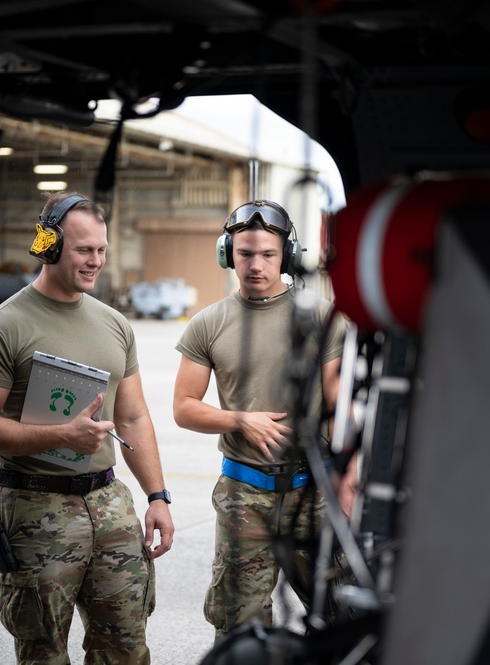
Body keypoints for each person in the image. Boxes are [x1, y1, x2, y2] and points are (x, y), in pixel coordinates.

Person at [0, 191, 174, 665]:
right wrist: (60, 435)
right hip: (34, 506)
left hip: (109, 501)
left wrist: (157, 497)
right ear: (49, 245)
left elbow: (134, 416)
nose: (95, 261)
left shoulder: (115, 324)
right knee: (44, 652)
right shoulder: (0, 329)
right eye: (83, 250)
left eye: (101, 250)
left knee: (126, 648)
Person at [173, 199, 352, 643]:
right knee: (241, 628)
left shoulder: (321, 318)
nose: (255, 265)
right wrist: (240, 420)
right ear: (227, 253)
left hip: (314, 489)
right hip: (243, 496)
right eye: (245, 254)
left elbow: (338, 409)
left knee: (344, 616)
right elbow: (184, 407)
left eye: (268, 255)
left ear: (286, 256)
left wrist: (349, 480)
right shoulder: (207, 324)